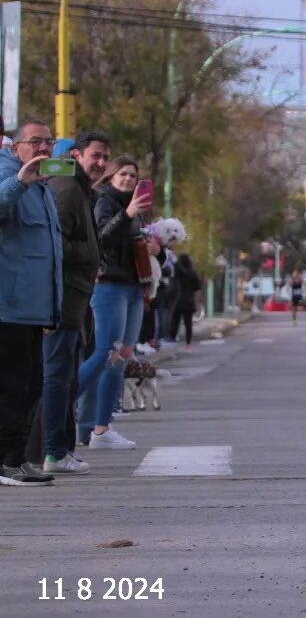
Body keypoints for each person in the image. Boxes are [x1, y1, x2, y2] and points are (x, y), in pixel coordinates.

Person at [38, 131, 110, 474]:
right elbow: (55, 244)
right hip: (62, 297)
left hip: (74, 298)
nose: (101, 163)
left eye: (105, 157)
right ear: (78, 155)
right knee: (56, 376)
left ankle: (60, 448)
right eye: (96, 155)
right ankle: (54, 450)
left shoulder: (80, 187)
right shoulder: (67, 188)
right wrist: (89, 255)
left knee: (64, 375)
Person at [0, 120, 62, 486]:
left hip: (32, 308)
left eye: (48, 142)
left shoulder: (42, 186)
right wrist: (18, 182)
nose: (43, 149)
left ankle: (17, 458)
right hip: (8, 306)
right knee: (12, 388)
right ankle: (6, 461)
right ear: (15, 145)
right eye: (35, 141)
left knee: (30, 386)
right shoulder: (12, 177)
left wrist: (50, 308)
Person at [75, 157, 152, 449]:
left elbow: (132, 243)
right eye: (123, 174)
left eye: (134, 175)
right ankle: (52, 408)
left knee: (120, 357)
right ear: (110, 178)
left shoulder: (136, 207)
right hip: (109, 286)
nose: (129, 179)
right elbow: (101, 238)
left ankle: (101, 428)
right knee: (105, 352)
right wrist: (128, 214)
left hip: (133, 286)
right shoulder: (105, 201)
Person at [170, 253, 201, 351]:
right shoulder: (192, 272)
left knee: (175, 321)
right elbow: (197, 288)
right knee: (188, 324)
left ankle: (172, 340)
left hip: (178, 299)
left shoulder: (177, 272)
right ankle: (188, 344)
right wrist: (196, 300)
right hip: (189, 300)